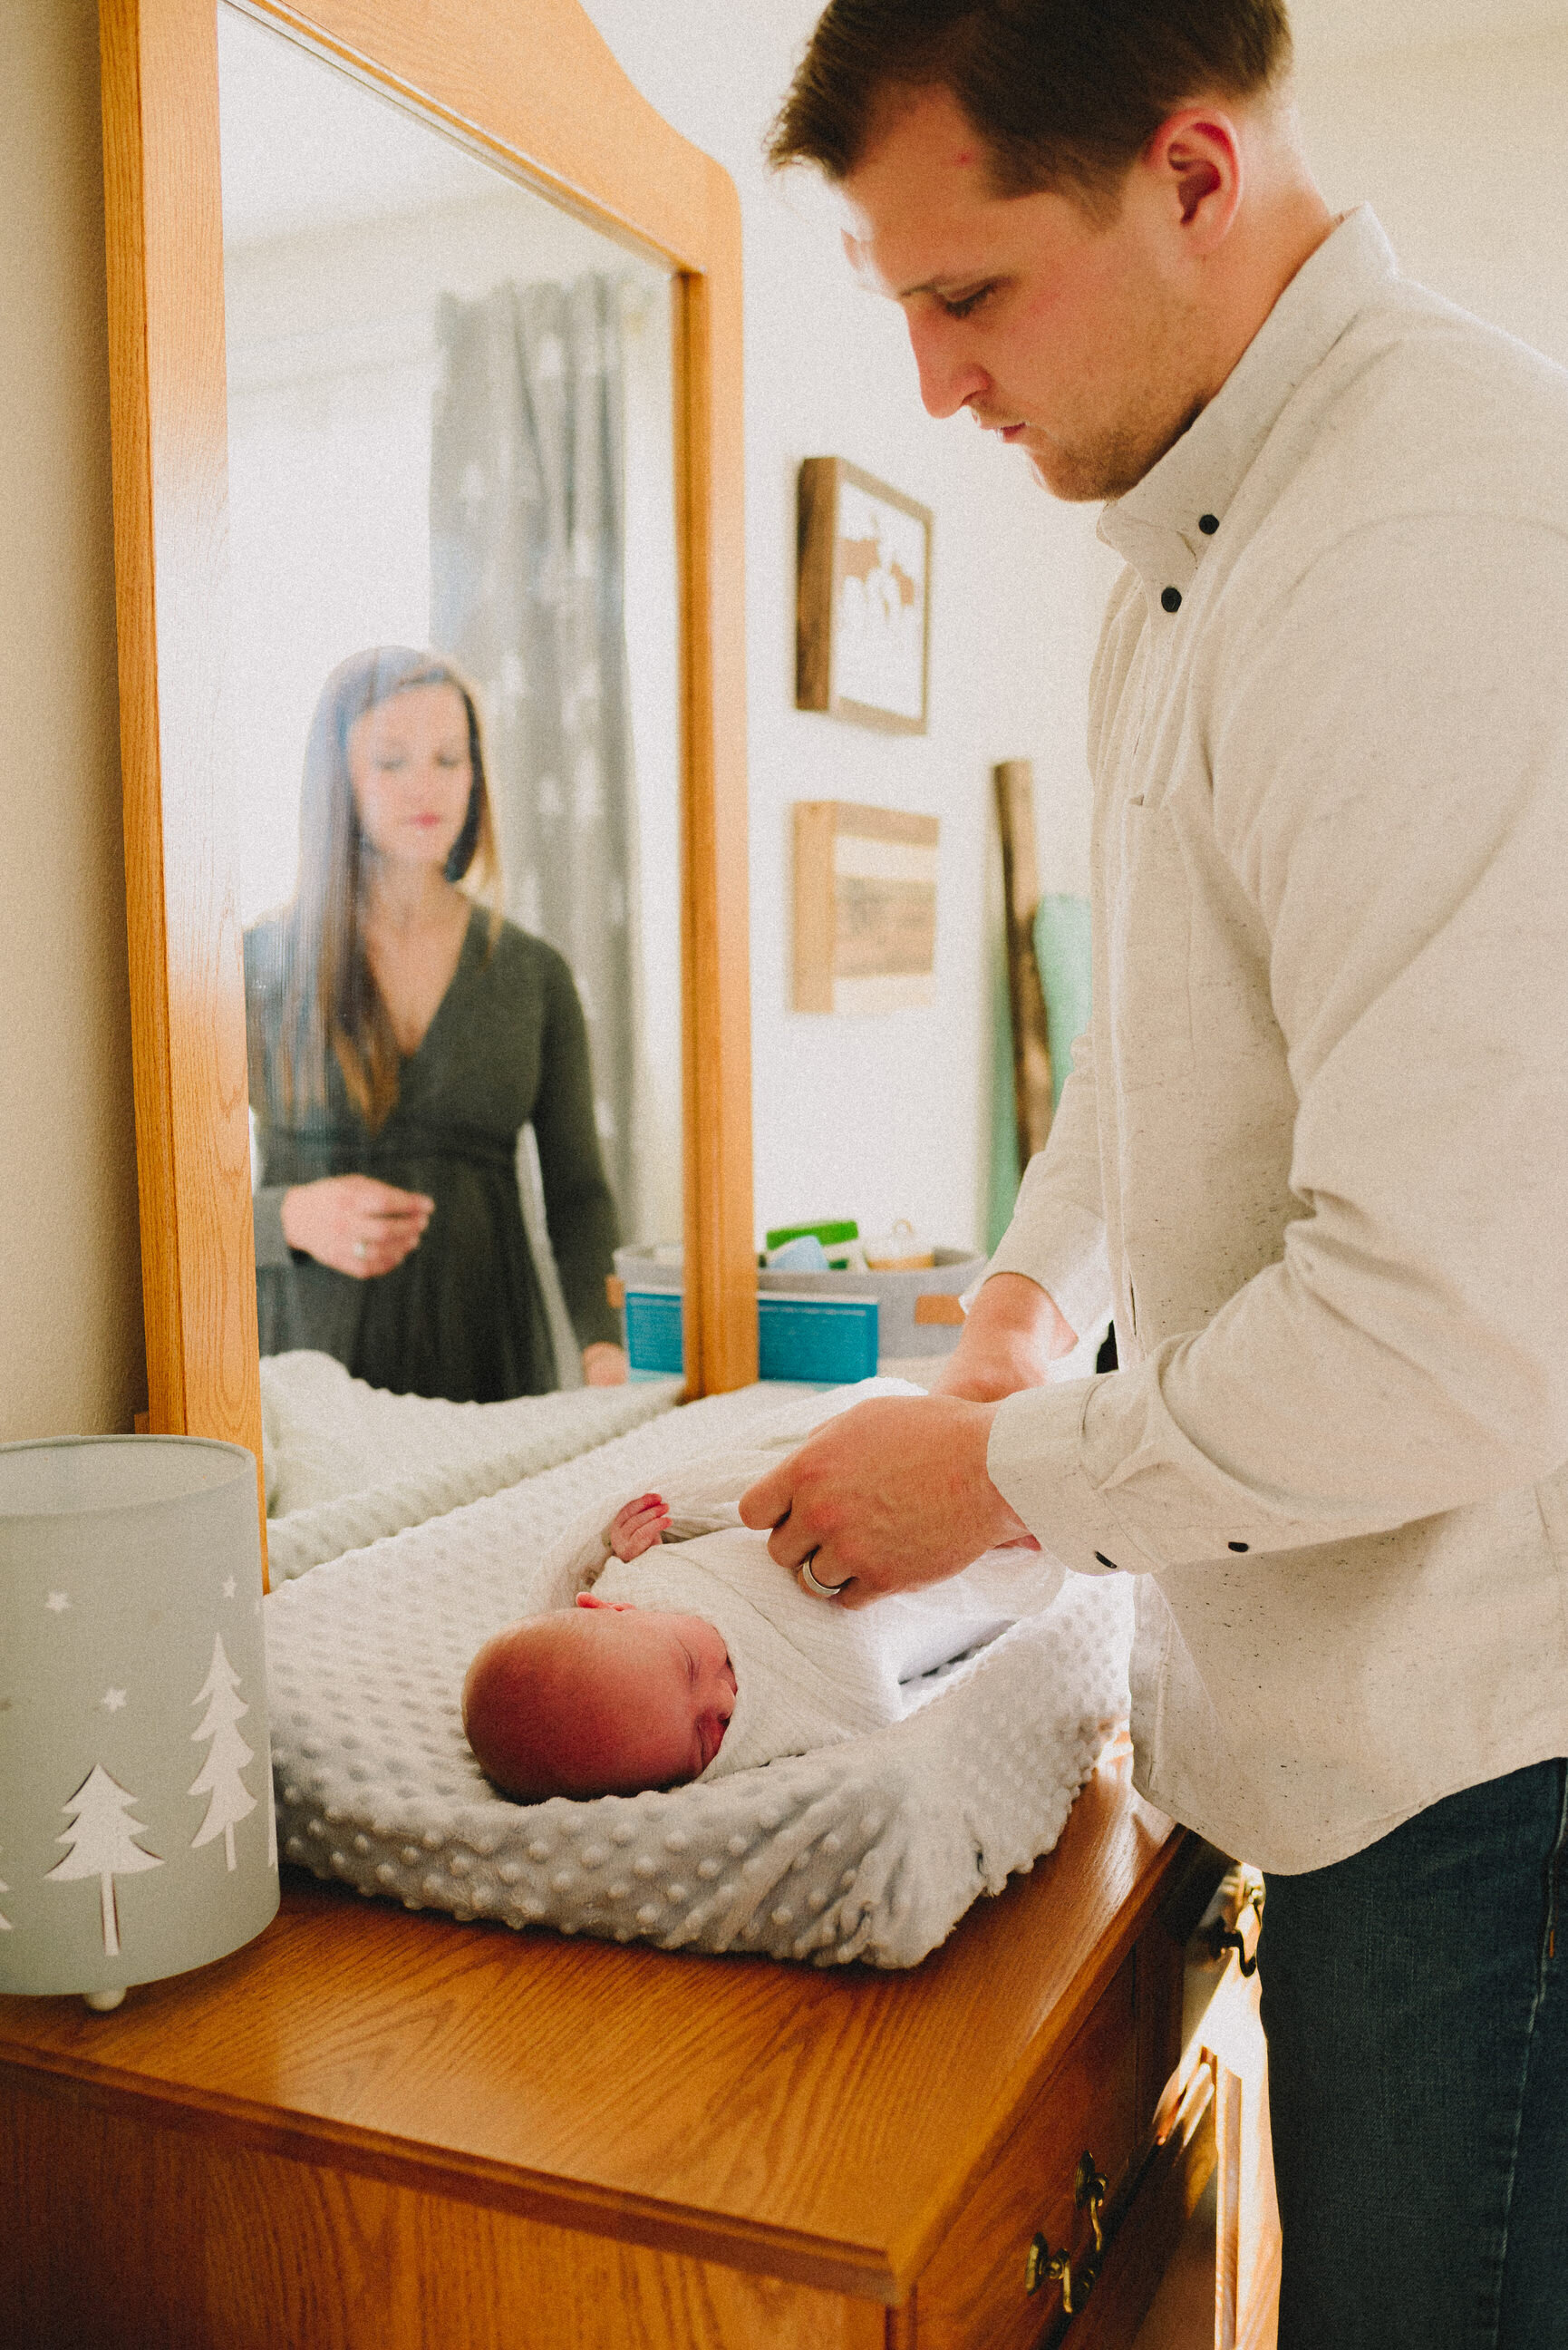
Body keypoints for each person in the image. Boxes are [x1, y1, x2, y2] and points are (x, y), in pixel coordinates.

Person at [746, 7, 1568, 2345]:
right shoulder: (1182, 559)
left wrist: (992, 1475)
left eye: (970, 294)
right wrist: (1019, 1304)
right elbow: (1168, 1043)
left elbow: (1444, 1335)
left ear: (1193, 176)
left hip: (1497, 1784)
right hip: (1350, 1745)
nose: (928, 384)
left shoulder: (1433, 550)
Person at [246, 646, 627, 1402]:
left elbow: (580, 1197)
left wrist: (605, 1352)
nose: (428, 787)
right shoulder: (253, 968)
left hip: (487, 1367)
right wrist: (286, 1216)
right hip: (302, 1375)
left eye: (450, 759)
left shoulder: (534, 977)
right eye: (392, 762)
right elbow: (170, 1205)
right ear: (338, 782)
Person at [462, 1411, 1070, 1801]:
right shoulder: (755, 1738)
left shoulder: (631, 1582)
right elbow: (862, 1713)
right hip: (897, 1602)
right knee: (980, 1563)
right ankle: (1003, 1531)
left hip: (815, 1519)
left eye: (689, 1666)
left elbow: (701, 1516)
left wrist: (630, 1541)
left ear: (606, 1609)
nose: (723, 1700)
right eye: (704, 1740)